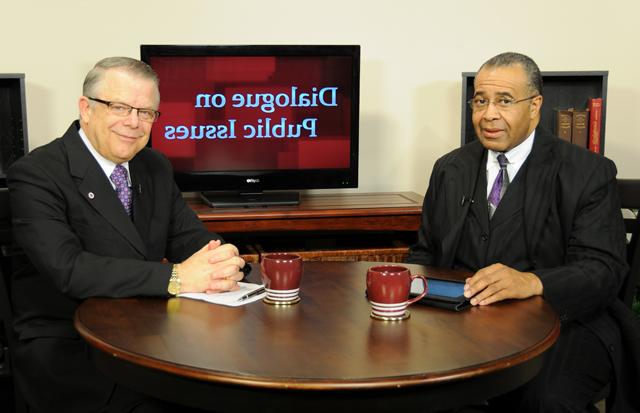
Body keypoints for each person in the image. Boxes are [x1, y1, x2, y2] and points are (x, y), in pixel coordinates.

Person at [7, 57, 246, 412]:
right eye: (120, 107)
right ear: (86, 109)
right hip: (72, 347)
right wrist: (179, 276)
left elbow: (189, 238)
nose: (134, 122)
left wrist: (223, 260)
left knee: (233, 390)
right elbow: (69, 270)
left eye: (146, 112)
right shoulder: (36, 173)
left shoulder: (154, 165)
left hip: (147, 332)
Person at [407, 52, 640, 412]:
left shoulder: (588, 172)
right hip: (461, 321)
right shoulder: (449, 168)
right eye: (480, 101)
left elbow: (603, 269)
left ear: (535, 106)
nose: (489, 114)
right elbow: (424, 254)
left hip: (564, 323)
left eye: (504, 101)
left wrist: (533, 283)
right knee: (415, 388)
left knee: (544, 400)